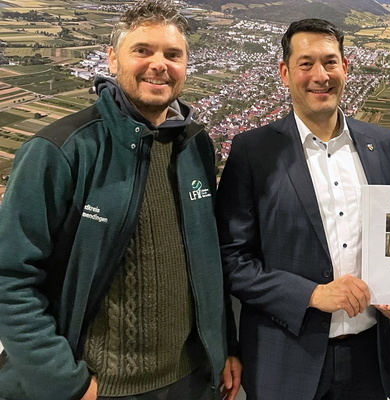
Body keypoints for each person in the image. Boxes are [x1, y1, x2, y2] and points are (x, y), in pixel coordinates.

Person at [0, 1, 241, 399]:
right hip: (99, 386)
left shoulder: (196, 147)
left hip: (191, 379)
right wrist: (64, 382)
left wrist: (225, 348)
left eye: (173, 54)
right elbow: (9, 276)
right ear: (113, 58)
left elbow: (208, 263)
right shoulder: (62, 150)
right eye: (142, 50)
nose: (159, 64)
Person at [216, 18, 390, 400]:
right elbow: (231, 260)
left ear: (346, 66)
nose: (320, 75)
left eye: (330, 61)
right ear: (284, 72)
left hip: (374, 357)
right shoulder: (252, 151)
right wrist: (311, 295)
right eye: (306, 63)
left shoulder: (384, 143)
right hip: (287, 360)